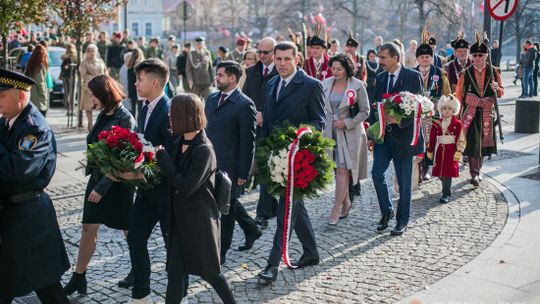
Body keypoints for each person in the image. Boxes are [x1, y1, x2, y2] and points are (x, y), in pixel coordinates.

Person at [154, 94, 236, 304]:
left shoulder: (203, 150)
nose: (169, 118)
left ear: (184, 116)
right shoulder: (179, 141)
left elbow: (186, 185)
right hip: (179, 220)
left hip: (199, 222)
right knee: (174, 273)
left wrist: (163, 161)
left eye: (173, 114)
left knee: (211, 273)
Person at [0, 68, 70, 304]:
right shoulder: (8, 121)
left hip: (29, 216)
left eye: (1, 96)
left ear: (20, 96)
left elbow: (17, 168)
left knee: (46, 284)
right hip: (11, 213)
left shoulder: (34, 127)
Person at [257, 42, 325, 284]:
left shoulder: (311, 85)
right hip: (274, 160)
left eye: (287, 59)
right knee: (295, 207)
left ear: (297, 59)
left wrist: (298, 137)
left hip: (298, 161)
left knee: (285, 211)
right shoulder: (272, 83)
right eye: (278, 59)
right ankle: (311, 252)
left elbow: (319, 122)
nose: (282, 64)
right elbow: (266, 123)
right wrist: (261, 156)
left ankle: (272, 265)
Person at [63, 75, 136, 296]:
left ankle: (138, 269)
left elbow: (123, 160)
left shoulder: (126, 119)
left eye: (94, 94)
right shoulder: (105, 114)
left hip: (118, 184)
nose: (91, 98)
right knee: (88, 227)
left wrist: (101, 188)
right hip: (98, 178)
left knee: (128, 230)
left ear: (105, 94)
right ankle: (79, 277)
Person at [120, 58, 176, 303]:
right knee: (135, 237)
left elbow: (171, 158)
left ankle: (177, 295)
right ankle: (141, 294)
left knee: (171, 246)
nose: (135, 84)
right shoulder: (144, 107)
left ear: (155, 82)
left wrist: (143, 172)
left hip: (165, 193)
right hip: (145, 191)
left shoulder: (170, 111)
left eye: (139, 80)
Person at [205, 61, 262, 261]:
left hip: (231, 167)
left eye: (220, 75)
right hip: (210, 164)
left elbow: (248, 142)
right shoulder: (211, 99)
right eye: (217, 74)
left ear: (232, 78)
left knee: (226, 210)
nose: (216, 78)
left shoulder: (245, 104)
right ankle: (252, 229)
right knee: (229, 202)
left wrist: (243, 173)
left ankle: (220, 253)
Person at [368, 42, 423, 236]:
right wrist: (372, 133)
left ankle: (402, 220)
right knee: (376, 174)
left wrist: (399, 120)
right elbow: (374, 106)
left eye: (383, 57)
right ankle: (386, 211)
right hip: (383, 137)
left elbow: (419, 107)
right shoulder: (380, 77)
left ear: (395, 58)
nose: (380, 61)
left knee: (404, 181)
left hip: (404, 137)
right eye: (379, 57)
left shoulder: (412, 76)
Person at [322, 53, 370, 225]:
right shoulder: (325, 83)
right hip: (329, 133)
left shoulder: (357, 85)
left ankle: (335, 209)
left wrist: (347, 122)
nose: (335, 72)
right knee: (335, 170)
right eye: (333, 68)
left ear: (347, 69)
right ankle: (346, 202)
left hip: (349, 134)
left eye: (339, 69)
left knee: (343, 170)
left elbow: (365, 111)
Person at [455, 36, 503, 187]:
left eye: (480, 55)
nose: (477, 58)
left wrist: (497, 88)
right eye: (474, 55)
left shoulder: (494, 71)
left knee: (483, 144)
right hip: (471, 112)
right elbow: (459, 95)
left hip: (488, 112)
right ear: (471, 56)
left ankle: (478, 171)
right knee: (473, 143)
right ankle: (474, 174)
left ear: (486, 56)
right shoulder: (465, 73)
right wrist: (457, 116)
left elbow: (501, 93)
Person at [242, 37, 279, 228]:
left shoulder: (280, 71)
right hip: (255, 126)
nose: (262, 56)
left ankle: (266, 210)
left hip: (275, 127)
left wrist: (266, 114)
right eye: (260, 52)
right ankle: (267, 209)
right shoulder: (251, 71)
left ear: (274, 52)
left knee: (269, 167)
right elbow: (245, 98)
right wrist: (253, 112)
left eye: (266, 52)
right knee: (264, 167)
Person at [414, 33, 451, 182]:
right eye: (421, 57)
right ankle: (420, 168)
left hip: (435, 113)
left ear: (431, 57)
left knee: (432, 141)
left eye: (427, 56)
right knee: (418, 141)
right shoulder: (411, 73)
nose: (424, 59)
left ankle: (427, 169)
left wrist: (443, 106)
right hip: (417, 114)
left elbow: (447, 93)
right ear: (417, 58)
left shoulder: (440, 73)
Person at [426, 95, 465, 204]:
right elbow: (432, 138)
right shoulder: (436, 123)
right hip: (439, 150)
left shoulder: (457, 124)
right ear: (440, 110)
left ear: (453, 110)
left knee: (447, 172)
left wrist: (459, 151)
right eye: (444, 109)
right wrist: (430, 150)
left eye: (449, 109)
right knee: (439, 172)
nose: (446, 111)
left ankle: (446, 193)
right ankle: (445, 185)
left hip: (451, 150)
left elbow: (460, 138)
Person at [80, 44, 108, 131]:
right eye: (90, 51)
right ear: (87, 52)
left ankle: (101, 124)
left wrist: (105, 78)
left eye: (93, 51)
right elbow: (84, 75)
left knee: (101, 106)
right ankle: (90, 125)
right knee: (89, 107)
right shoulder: (84, 63)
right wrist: (95, 79)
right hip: (89, 88)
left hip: (100, 87)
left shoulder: (100, 61)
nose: (92, 53)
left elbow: (105, 71)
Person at [24, 44, 49, 117]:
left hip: (31, 95)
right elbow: (40, 82)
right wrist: (44, 93)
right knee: (40, 119)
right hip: (38, 97)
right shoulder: (40, 66)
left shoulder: (31, 64)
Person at [186, 36, 214, 101]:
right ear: (195, 45)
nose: (200, 45)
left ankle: (208, 111)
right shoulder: (191, 54)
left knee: (208, 99)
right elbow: (188, 68)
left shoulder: (207, 53)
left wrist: (213, 79)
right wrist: (190, 79)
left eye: (201, 44)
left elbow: (210, 67)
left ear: (203, 44)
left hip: (207, 81)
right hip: (196, 82)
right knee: (196, 101)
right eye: (198, 44)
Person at [127, 48, 145, 118]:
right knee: (140, 110)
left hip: (132, 89)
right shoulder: (141, 64)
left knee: (133, 110)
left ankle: (133, 126)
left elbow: (129, 79)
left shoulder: (129, 64)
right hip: (139, 88)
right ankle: (140, 127)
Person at [61, 43, 77, 115]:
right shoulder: (73, 58)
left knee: (67, 94)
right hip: (71, 77)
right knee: (72, 94)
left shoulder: (65, 58)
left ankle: (68, 110)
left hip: (66, 77)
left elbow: (63, 67)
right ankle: (70, 110)